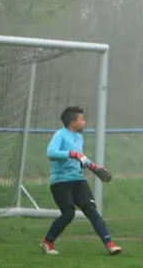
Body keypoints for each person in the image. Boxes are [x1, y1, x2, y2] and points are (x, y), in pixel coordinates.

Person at [40, 106, 121, 256]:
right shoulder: (60, 135)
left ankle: (110, 244)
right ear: (73, 122)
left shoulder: (79, 137)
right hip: (60, 182)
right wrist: (73, 154)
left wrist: (93, 167)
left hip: (78, 179)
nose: (84, 122)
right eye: (82, 120)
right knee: (68, 213)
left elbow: (80, 156)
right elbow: (51, 153)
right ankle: (47, 241)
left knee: (91, 209)